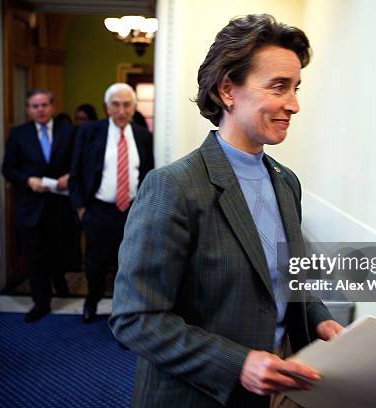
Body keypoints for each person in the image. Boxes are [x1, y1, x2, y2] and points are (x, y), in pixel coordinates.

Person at [109, 14, 343, 408]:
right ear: (227, 90)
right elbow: (135, 319)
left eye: (296, 88)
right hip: (196, 397)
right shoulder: (175, 186)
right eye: (279, 87)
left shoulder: (286, 182)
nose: (294, 104)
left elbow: (285, 277)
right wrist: (239, 364)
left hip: (278, 390)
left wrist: (318, 318)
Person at [69, 83, 154, 323]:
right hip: (98, 210)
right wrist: (81, 209)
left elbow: (148, 173)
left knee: (126, 266)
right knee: (95, 264)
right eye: (115, 105)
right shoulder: (89, 132)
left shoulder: (142, 135)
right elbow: (75, 173)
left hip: (132, 211)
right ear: (107, 107)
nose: (121, 110)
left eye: (126, 105)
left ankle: (121, 313)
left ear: (134, 107)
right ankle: (92, 299)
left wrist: (145, 209)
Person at [2, 89, 74, 322]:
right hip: (30, 207)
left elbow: (80, 161)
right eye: (35, 106)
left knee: (59, 251)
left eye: (44, 105)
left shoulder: (68, 131)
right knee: (34, 256)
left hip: (61, 205)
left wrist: (70, 176)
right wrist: (27, 180)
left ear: (52, 106)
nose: (40, 110)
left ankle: (59, 279)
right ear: (28, 110)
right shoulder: (18, 134)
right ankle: (40, 302)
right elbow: (8, 168)